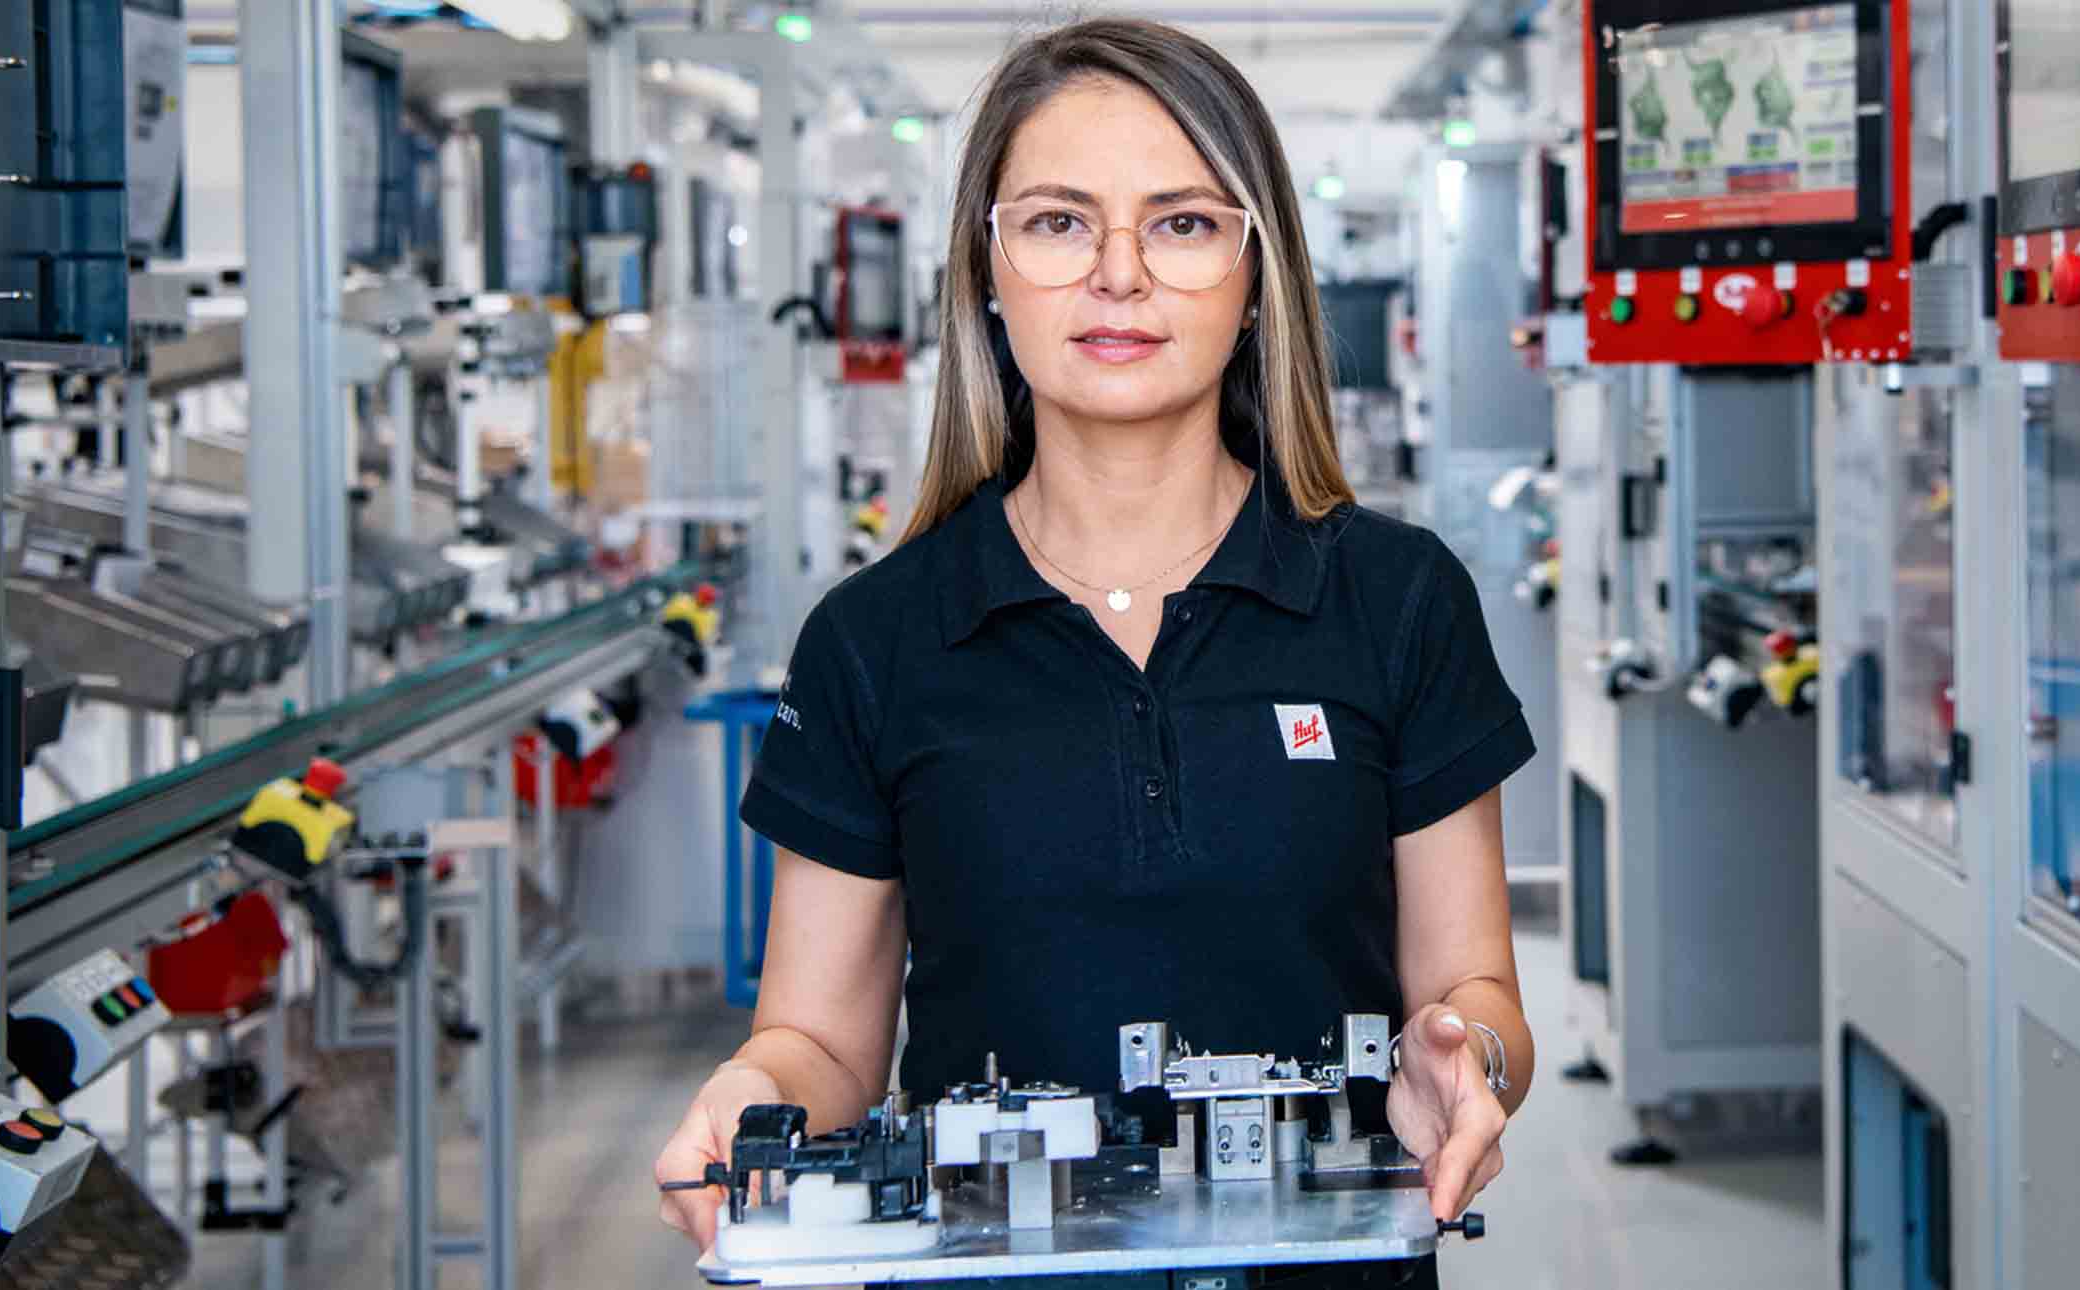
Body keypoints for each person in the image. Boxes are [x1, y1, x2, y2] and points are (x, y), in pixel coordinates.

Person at [653, 18, 1537, 1286]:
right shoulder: (876, 639)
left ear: (1255, 273)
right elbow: (821, 1044)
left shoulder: (1395, 600)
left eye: (1181, 223)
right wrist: (746, 1101)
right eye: (1060, 221)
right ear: (989, 268)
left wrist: (1467, 1059)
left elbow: (1472, 987)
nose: (1119, 275)